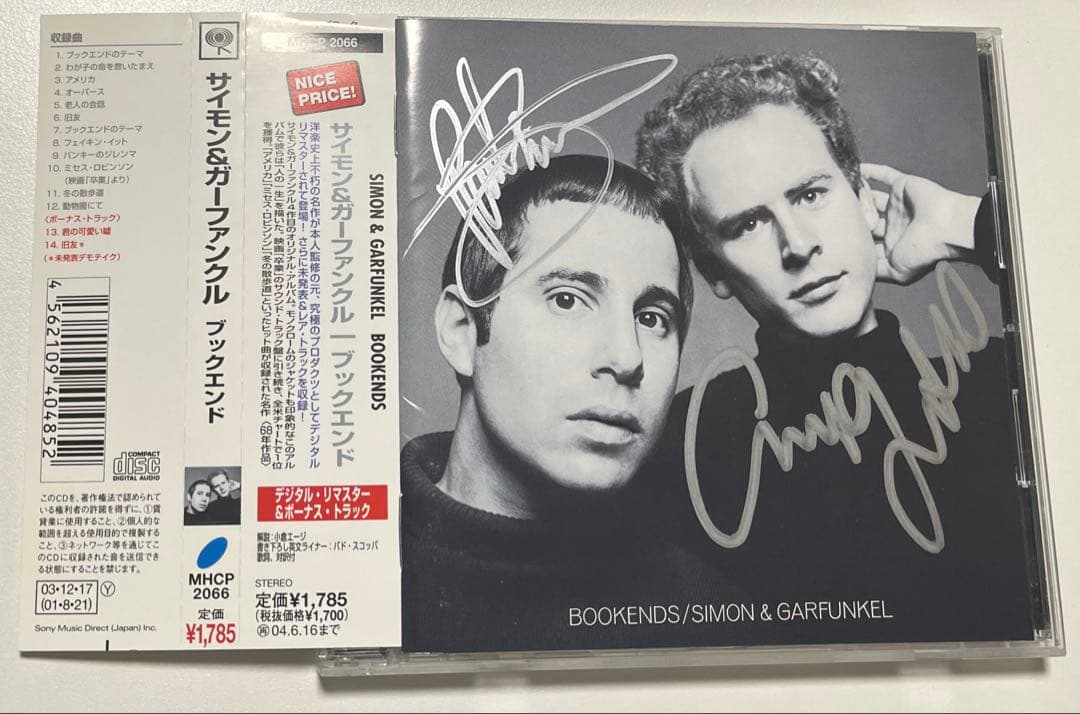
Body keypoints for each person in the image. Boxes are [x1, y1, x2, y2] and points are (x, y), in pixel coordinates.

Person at [634, 53, 1034, 644]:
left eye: (810, 195)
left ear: (862, 195)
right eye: (747, 224)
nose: (797, 245)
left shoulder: (1003, 382)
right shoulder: (679, 448)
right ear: (711, 269)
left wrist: (969, 224)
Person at [402, 154, 747, 654]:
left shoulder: (714, 619)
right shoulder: (351, 568)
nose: (626, 358)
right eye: (567, 299)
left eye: (652, 318)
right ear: (462, 331)